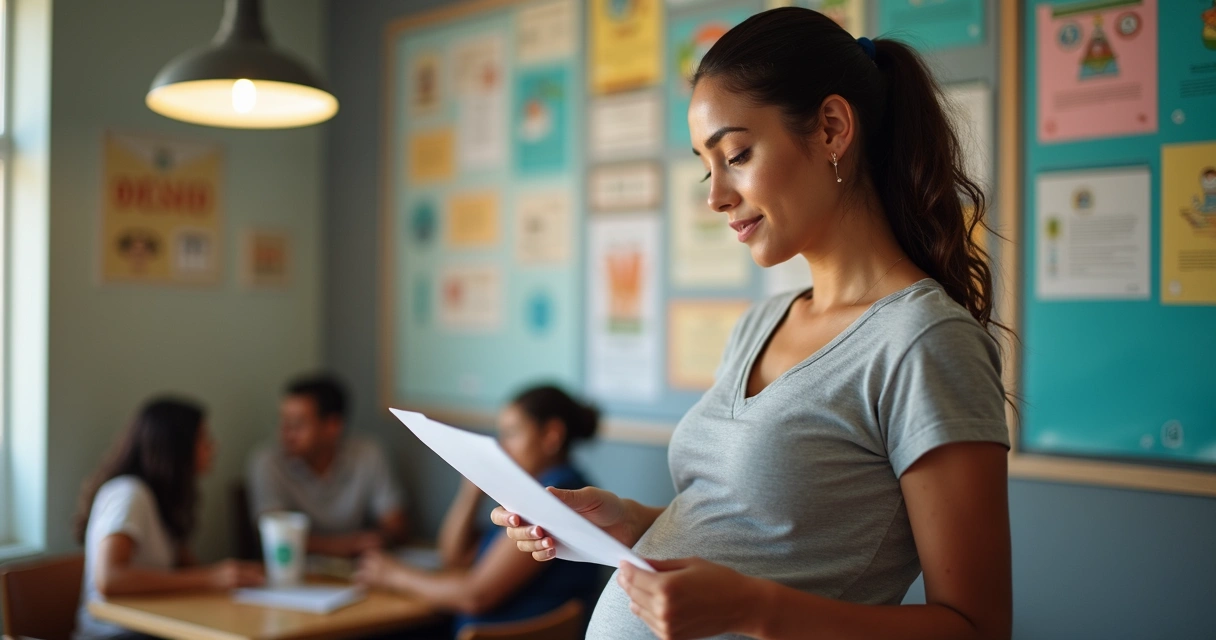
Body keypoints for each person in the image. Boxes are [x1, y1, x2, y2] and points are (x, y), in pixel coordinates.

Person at [492, 8, 1013, 640]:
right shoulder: (761, 324)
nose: (714, 195)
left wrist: (754, 612)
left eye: (735, 154)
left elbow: (977, 627)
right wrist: (632, 521)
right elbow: (770, 537)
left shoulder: (923, 341)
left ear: (831, 128)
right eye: (705, 165)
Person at [354, 385, 602, 637]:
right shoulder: (542, 490)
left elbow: (476, 596)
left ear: (551, 434)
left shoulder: (553, 497)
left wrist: (393, 575)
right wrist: (471, 492)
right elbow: (454, 559)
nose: (502, 447)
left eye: (512, 433)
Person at [74, 397, 263, 640]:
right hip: (114, 634)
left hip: (148, 629)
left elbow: (186, 570)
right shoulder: (129, 494)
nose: (213, 446)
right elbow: (109, 579)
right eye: (204, 439)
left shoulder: (161, 499)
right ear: (177, 447)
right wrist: (211, 577)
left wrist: (232, 575)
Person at [247, 374, 408, 557]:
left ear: (332, 426)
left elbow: (395, 522)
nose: (286, 433)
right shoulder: (268, 463)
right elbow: (274, 536)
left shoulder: (368, 454)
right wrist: (346, 545)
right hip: (296, 572)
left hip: (358, 570)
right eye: (283, 422)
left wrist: (379, 539)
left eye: (297, 425)